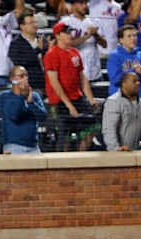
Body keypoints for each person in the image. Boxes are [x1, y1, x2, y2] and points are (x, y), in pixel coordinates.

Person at [44, 21, 99, 151]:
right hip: (59, 102)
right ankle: (64, 164)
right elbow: (54, 82)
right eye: (66, 32)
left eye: (70, 32)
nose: (70, 35)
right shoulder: (52, 54)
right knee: (65, 135)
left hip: (77, 98)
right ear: (58, 35)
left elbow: (82, 78)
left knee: (93, 126)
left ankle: (81, 157)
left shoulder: (75, 52)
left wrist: (90, 99)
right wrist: (69, 105)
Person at [0, 65, 48, 154]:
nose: (25, 78)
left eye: (26, 76)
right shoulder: (5, 96)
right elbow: (14, 116)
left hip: (34, 146)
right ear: (12, 79)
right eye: (21, 76)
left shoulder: (34, 96)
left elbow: (43, 117)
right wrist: (19, 95)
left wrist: (31, 103)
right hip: (13, 146)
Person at [61, 0, 107, 82]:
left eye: (86, 3)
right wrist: (87, 36)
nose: (85, 6)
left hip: (94, 72)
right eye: (81, 3)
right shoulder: (65, 22)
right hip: (75, 73)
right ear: (73, 5)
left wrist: (95, 34)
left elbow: (104, 44)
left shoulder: (94, 21)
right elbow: (66, 45)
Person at [107, 24, 141, 98]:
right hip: (121, 96)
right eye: (129, 36)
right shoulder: (114, 56)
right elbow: (115, 80)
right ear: (121, 40)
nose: (133, 38)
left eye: (135, 35)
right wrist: (133, 71)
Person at [102, 72, 141, 151]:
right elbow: (109, 129)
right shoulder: (114, 101)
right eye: (134, 81)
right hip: (118, 152)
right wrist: (115, 148)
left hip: (134, 151)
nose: (138, 83)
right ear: (124, 84)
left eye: (138, 81)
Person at [8, 9, 47, 93]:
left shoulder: (42, 40)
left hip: (46, 84)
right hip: (28, 86)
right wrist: (38, 49)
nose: (34, 25)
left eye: (35, 22)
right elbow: (20, 61)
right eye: (31, 23)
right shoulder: (16, 43)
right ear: (22, 26)